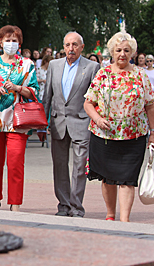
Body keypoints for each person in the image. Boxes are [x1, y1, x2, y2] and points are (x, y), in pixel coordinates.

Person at [83, 31, 154, 222]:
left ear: (132, 52)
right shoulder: (103, 74)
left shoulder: (140, 75)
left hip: (134, 136)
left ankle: (124, 221)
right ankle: (110, 215)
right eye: (118, 50)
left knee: (127, 179)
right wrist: (98, 119)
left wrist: (153, 134)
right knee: (108, 179)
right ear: (112, 53)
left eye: (126, 50)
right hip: (104, 136)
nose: (122, 54)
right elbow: (88, 103)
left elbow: (150, 106)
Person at [0, 25, 39, 212]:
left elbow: (34, 92)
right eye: (7, 40)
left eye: (14, 40)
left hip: (17, 122)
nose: (11, 44)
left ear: (19, 43)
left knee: (16, 164)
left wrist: (18, 88)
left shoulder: (27, 64)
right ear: (0, 42)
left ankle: (15, 204)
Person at [42, 31, 100, 218]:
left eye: (75, 45)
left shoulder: (92, 67)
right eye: (67, 45)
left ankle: (76, 206)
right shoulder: (54, 65)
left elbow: (97, 99)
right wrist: (43, 123)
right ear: (63, 47)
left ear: (82, 47)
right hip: (58, 124)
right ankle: (63, 205)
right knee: (59, 166)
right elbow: (47, 97)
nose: (71, 48)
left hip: (82, 123)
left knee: (80, 167)